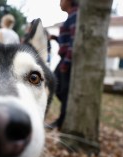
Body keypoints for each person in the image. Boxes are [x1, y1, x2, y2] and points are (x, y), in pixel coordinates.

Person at [48, 0, 79, 130]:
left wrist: (66, 63)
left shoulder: (75, 15)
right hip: (65, 58)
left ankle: (62, 121)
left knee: (62, 90)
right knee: (59, 88)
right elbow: (67, 39)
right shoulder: (71, 16)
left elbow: (74, 41)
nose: (59, 3)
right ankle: (63, 118)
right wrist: (55, 38)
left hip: (67, 59)